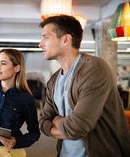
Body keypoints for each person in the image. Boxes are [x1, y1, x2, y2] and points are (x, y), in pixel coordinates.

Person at [38, 15, 130, 157]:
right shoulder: (54, 80)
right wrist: (63, 125)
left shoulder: (94, 68)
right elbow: (43, 121)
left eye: (45, 37)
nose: (40, 44)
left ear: (65, 40)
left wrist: (56, 120)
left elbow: (77, 127)